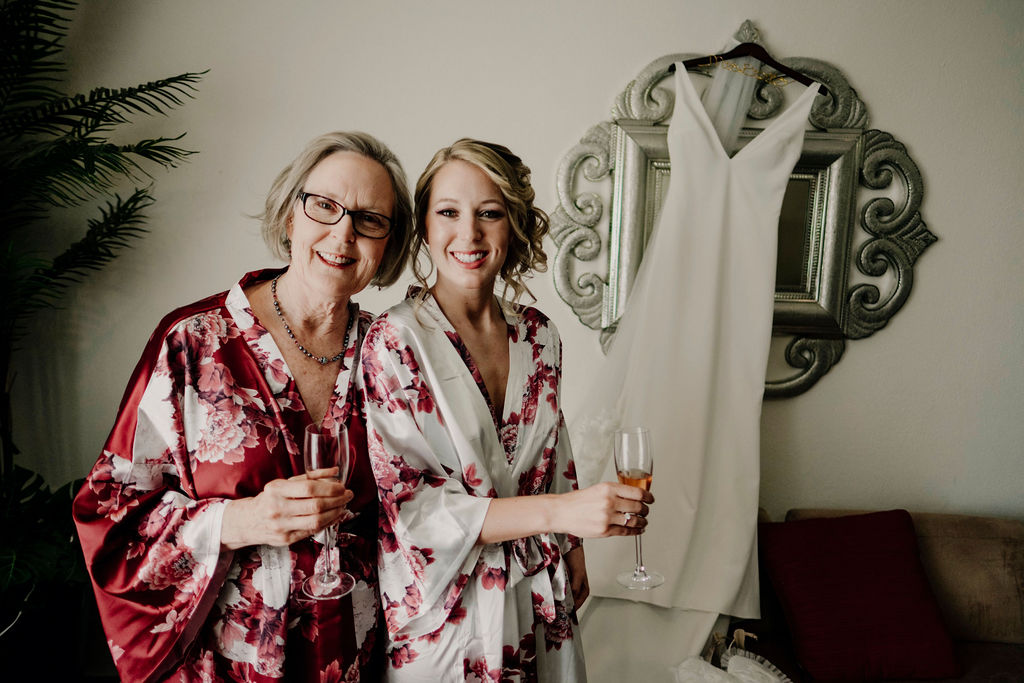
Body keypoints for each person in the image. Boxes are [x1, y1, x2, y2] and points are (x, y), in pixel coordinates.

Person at [73, 131, 413, 682]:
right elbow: (110, 513)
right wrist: (239, 520)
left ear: (387, 246)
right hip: (226, 667)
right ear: (290, 216)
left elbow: (428, 508)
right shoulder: (193, 342)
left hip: (360, 664)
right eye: (324, 206)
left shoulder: (392, 356)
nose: (343, 233)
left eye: (370, 220)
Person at [360, 138, 654, 681]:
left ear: (513, 224)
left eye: (489, 213)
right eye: (448, 212)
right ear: (424, 224)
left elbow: (554, 453)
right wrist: (561, 515)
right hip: (444, 615)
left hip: (539, 593)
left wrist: (572, 547)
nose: (469, 234)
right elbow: (414, 511)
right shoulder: (395, 341)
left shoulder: (539, 336)